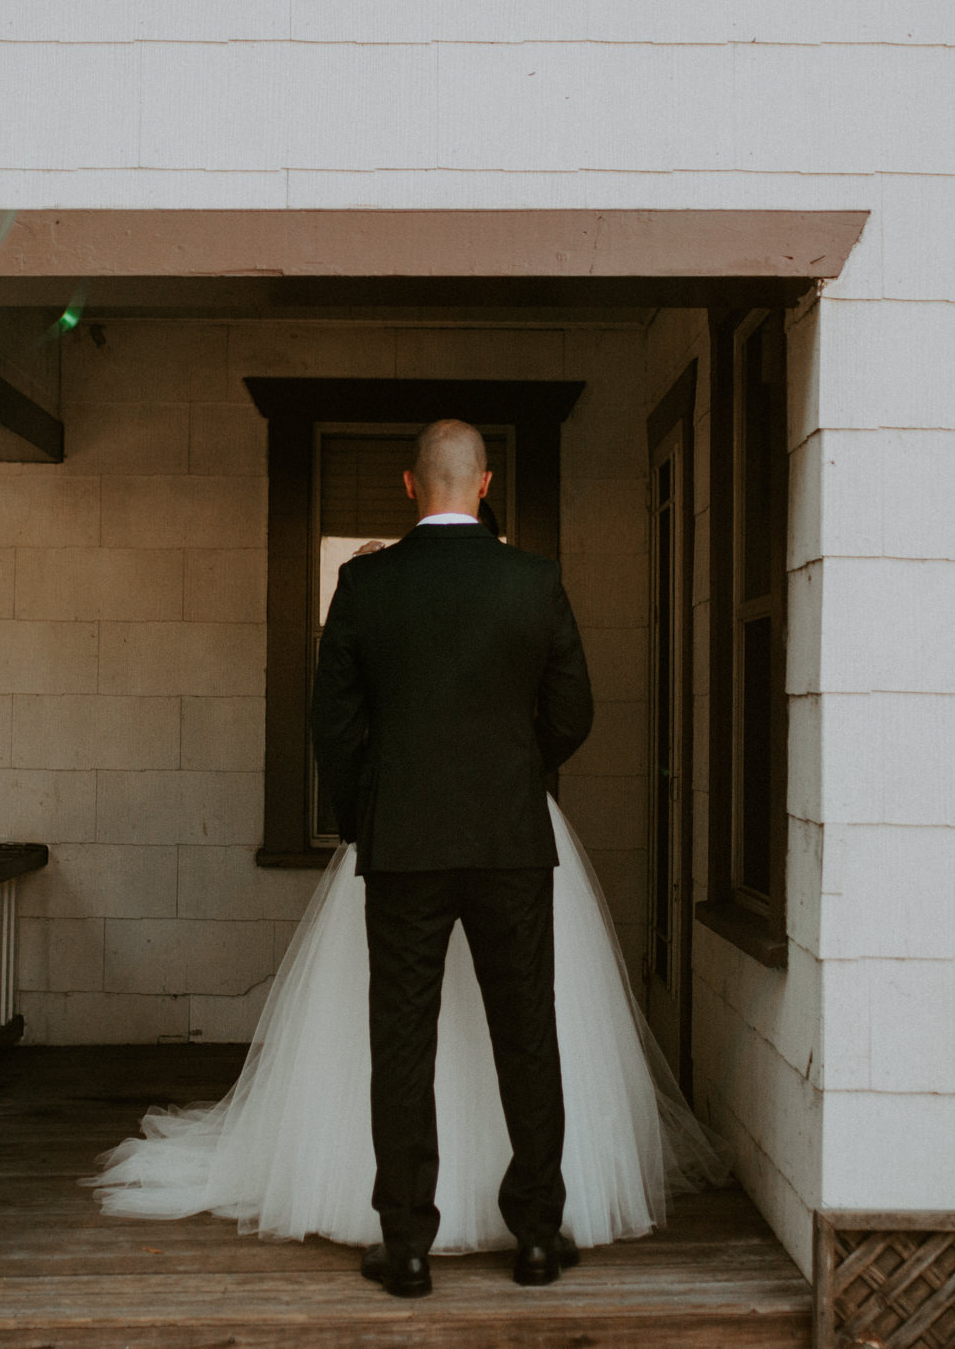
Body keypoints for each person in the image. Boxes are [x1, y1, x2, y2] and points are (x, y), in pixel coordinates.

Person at [86, 421, 726, 1296]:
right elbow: (573, 711)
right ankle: (537, 1238)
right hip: (508, 841)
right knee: (528, 1038)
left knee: (402, 1038)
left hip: (406, 845)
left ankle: (410, 1245)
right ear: (486, 481)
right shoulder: (533, 581)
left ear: (408, 485)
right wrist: (514, 773)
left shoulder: (365, 583)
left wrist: (368, 819)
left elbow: (334, 726)